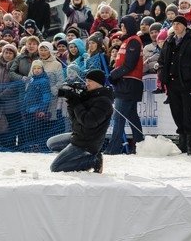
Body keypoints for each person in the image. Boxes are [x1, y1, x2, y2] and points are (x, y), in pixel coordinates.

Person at [157, 15, 191, 155]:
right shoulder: (169, 41)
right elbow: (162, 61)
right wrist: (162, 75)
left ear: (185, 26)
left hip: (187, 83)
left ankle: (190, 143)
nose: (176, 26)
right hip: (172, 83)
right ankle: (182, 141)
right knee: (176, 112)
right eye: (174, 24)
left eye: (179, 24)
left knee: (189, 114)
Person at [47, 69, 113, 173]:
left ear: (99, 83)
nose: (87, 84)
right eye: (86, 80)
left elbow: (88, 122)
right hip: (79, 135)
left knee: (55, 168)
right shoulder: (89, 96)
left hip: (88, 142)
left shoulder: (103, 101)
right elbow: (74, 120)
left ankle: (93, 160)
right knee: (51, 143)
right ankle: (79, 158)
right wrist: (71, 102)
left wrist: (77, 103)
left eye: (90, 81)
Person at [104, 15, 145, 155]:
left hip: (129, 83)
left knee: (119, 117)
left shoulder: (133, 41)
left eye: (124, 26)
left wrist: (114, 75)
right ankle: (141, 144)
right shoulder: (127, 40)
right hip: (126, 83)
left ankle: (113, 149)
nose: (122, 29)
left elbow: (129, 64)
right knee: (132, 116)